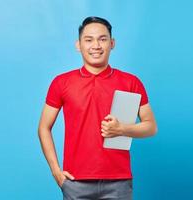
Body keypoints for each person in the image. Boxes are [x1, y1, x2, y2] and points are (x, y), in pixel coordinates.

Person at [38, 16, 157, 200]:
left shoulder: (130, 82)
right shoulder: (61, 83)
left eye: (103, 39)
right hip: (75, 182)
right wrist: (56, 171)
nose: (96, 45)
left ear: (112, 43)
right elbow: (44, 128)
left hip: (119, 182)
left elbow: (150, 126)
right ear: (78, 45)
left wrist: (122, 129)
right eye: (89, 40)